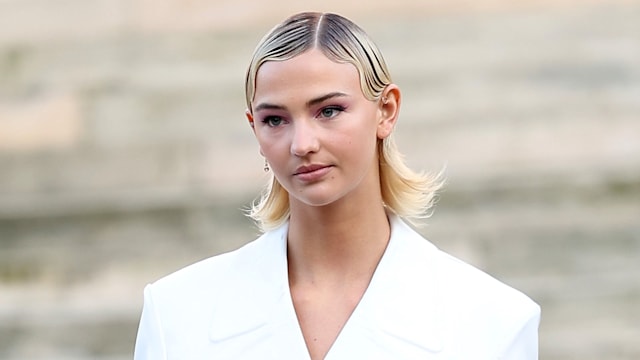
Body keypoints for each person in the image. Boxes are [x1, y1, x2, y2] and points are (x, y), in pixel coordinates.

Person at [133, 11, 540, 360]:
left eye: (329, 110)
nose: (302, 144)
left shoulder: (493, 321)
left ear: (387, 110)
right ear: (254, 128)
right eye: (275, 119)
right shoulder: (176, 313)